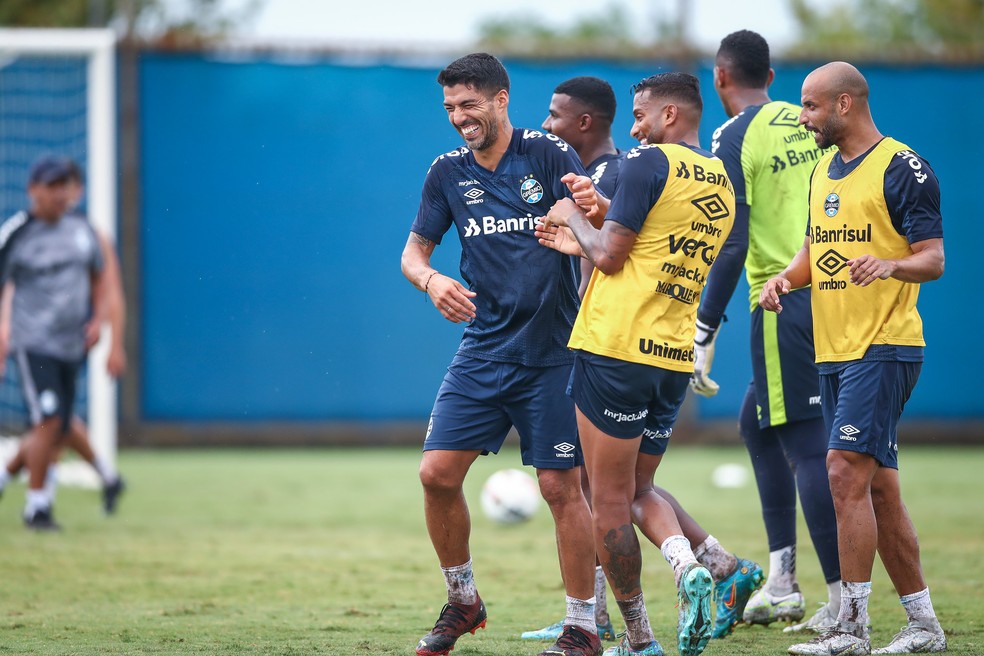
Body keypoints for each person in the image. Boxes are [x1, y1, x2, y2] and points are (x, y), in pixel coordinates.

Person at [524, 74, 763, 645]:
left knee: (603, 499)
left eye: (641, 115)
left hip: (615, 347)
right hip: (672, 355)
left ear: (672, 114)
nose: (633, 127)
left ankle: (637, 638)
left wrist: (570, 216)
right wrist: (599, 212)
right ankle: (691, 566)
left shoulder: (643, 163)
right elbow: (654, 237)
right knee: (636, 491)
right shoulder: (721, 182)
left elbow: (609, 258)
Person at [401, 53, 601, 656]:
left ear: (501, 99)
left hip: (554, 354)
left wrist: (584, 223)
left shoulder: (547, 154)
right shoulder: (446, 173)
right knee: (436, 475)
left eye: (469, 105)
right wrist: (432, 282)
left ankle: (582, 626)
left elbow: (591, 229)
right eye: (450, 108)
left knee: (561, 488)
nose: (460, 118)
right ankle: (464, 601)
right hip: (483, 351)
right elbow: (412, 254)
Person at [760, 61, 946, 655]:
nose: (803, 117)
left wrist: (892, 264)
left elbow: (933, 258)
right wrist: (785, 279)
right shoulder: (821, 171)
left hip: (885, 345)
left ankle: (852, 628)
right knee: (881, 490)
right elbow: (818, 249)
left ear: (844, 104)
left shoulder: (902, 166)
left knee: (841, 472)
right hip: (833, 350)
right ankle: (924, 626)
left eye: (811, 107)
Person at [692, 29, 842, 632]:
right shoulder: (809, 121)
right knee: (757, 423)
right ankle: (782, 579)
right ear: (774, 79)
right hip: (838, 292)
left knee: (808, 446)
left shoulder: (732, 134)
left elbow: (731, 239)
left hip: (782, 301)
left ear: (720, 78)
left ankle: (839, 600)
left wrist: (704, 328)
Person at [0, 158, 126, 515]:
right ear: (32, 190)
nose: (60, 194)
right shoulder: (16, 233)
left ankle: (7, 478)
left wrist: (100, 319)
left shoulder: (83, 230)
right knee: (51, 420)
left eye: (64, 186)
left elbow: (103, 281)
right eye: (52, 186)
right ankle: (38, 505)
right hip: (33, 343)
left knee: (56, 425)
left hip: (72, 346)